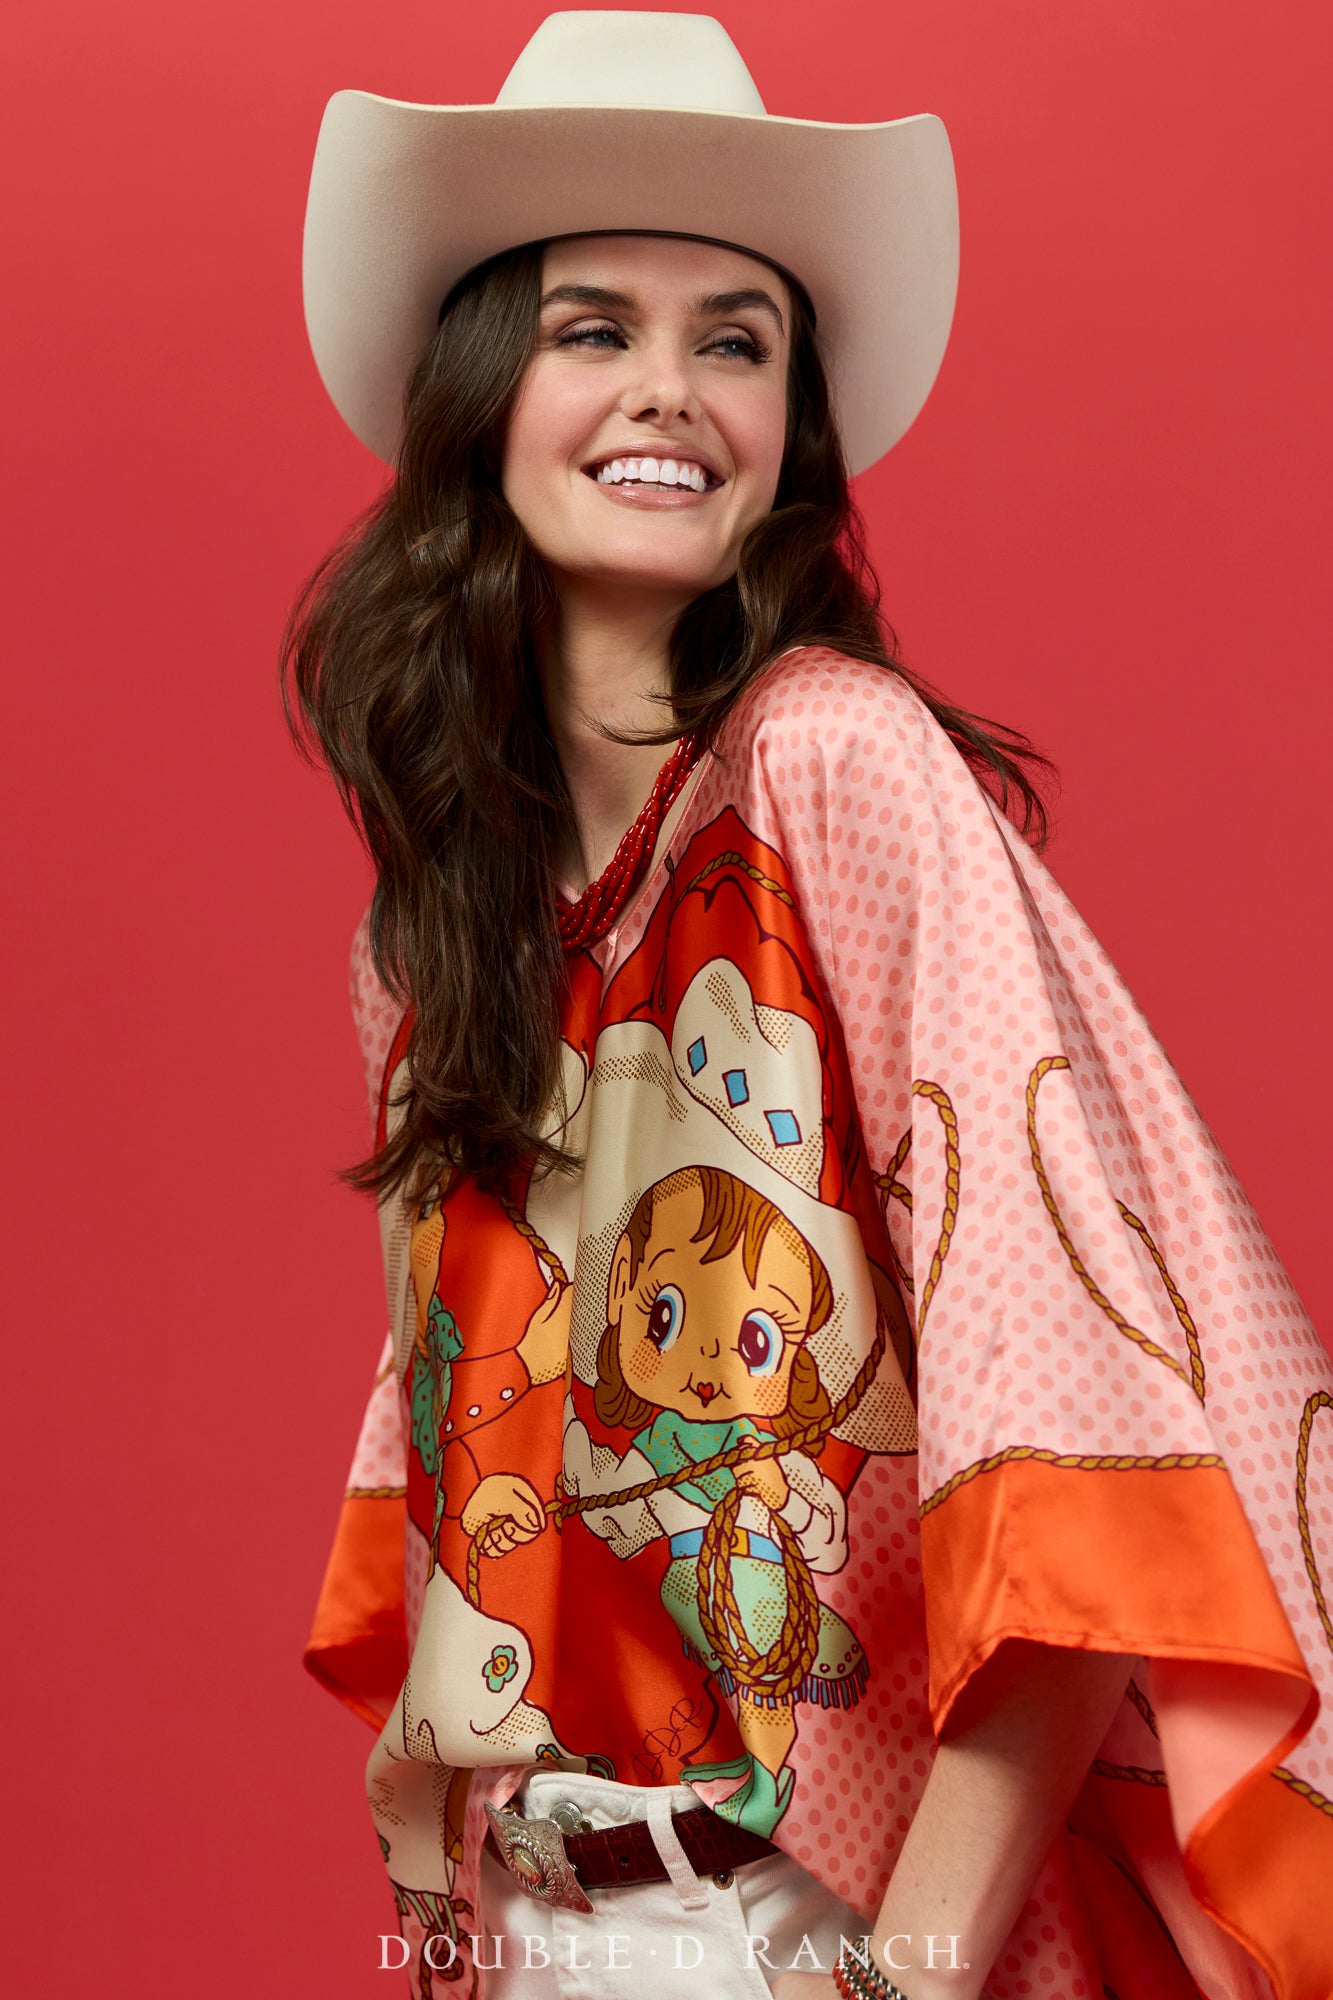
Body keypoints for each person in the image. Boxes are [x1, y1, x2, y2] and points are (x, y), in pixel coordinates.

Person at [283, 14, 1333, 2000]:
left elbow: (1071, 1415)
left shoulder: (830, 766)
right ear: (481, 395)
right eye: (593, 328)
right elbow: (472, 1482)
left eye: (736, 341)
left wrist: (904, 1970)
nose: (668, 391)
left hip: (817, 1921)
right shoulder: (422, 949)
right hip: (539, 1918)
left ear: (789, 426)